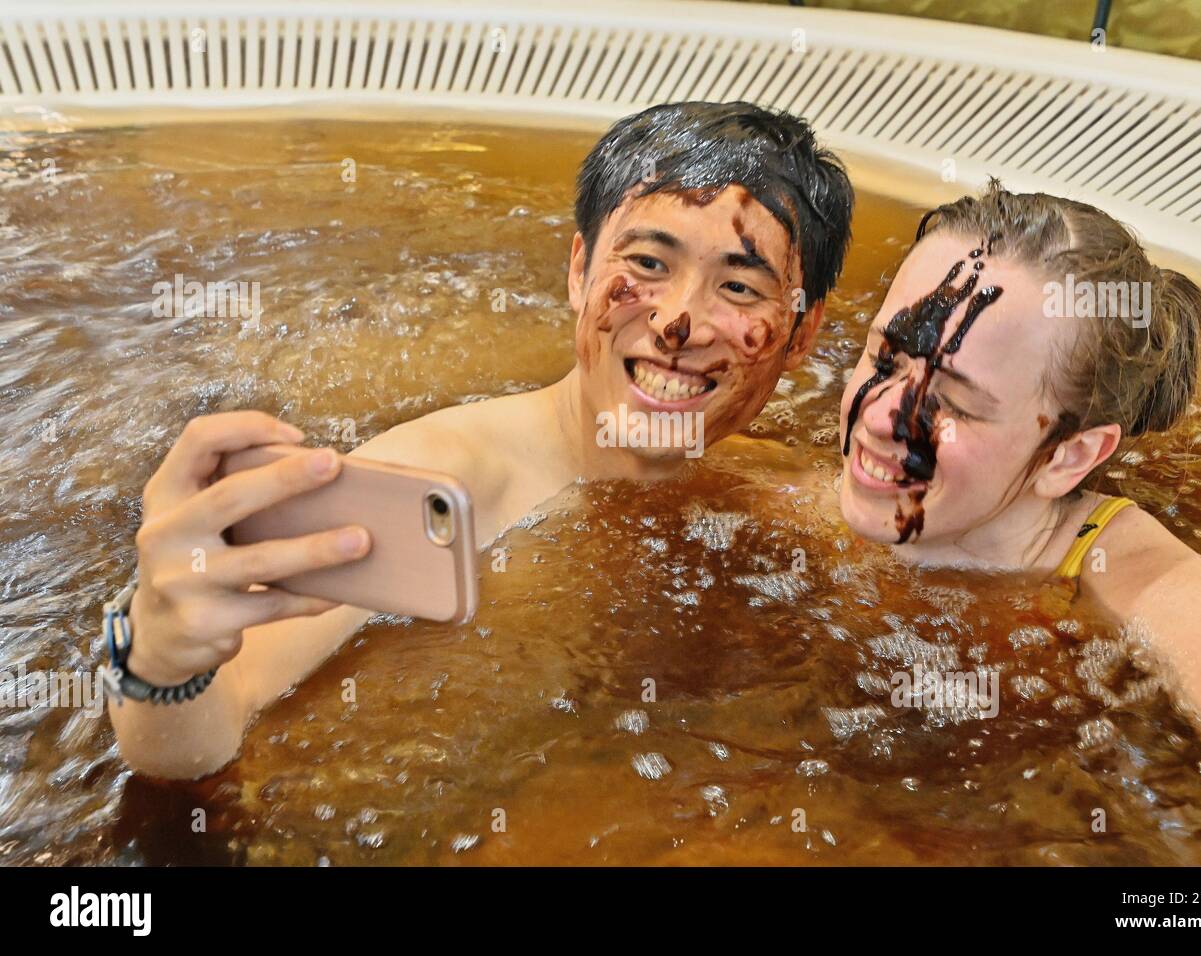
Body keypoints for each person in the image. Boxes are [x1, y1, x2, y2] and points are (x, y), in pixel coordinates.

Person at [107, 101, 854, 779]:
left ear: (802, 335)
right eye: (648, 265)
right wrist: (163, 660)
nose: (675, 323)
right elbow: (206, 734)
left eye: (738, 287)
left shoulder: (765, 488)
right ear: (578, 269)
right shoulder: (441, 484)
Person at [837, 180, 1201, 832]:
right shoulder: (813, 503)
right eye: (886, 357)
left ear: (1068, 457)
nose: (883, 419)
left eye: (957, 404)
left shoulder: (1137, 584)